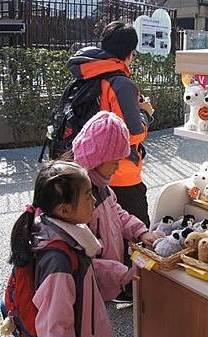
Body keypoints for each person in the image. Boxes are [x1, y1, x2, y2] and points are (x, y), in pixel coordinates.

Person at [8, 160, 133, 337]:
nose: (94, 200)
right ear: (64, 210)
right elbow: (56, 327)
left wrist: (123, 274)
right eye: (88, 195)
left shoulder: (64, 236)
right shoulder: (58, 263)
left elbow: (84, 271)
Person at [69, 111, 163, 302]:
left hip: (106, 279)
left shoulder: (102, 186)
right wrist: (118, 272)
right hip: (88, 283)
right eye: (115, 162)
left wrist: (141, 232)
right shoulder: (79, 198)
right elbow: (79, 258)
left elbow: (118, 214)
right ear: (96, 158)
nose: (117, 167)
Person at [67, 21, 153, 226]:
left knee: (103, 232)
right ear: (131, 53)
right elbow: (132, 134)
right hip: (121, 173)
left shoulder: (87, 75)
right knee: (138, 235)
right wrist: (146, 113)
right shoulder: (121, 84)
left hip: (92, 171)